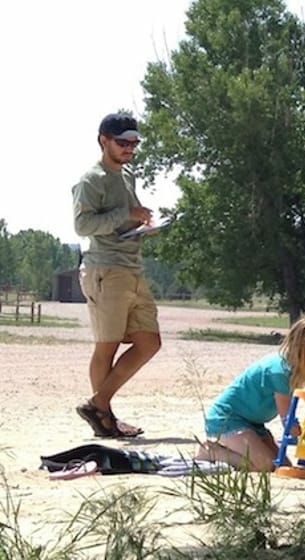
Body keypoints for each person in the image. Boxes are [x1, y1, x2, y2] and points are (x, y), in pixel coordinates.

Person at [72, 112, 162, 438]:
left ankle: (98, 405)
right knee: (106, 347)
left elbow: (124, 221)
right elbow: (82, 226)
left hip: (132, 266)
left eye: (134, 143)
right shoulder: (91, 180)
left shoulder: (127, 178)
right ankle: (105, 419)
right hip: (105, 269)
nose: (130, 149)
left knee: (150, 342)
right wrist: (127, 214)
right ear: (104, 141)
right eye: (123, 142)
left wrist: (142, 225)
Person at [195, 313, 305, 471]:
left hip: (253, 424)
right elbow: (288, 422)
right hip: (228, 420)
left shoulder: (291, 370)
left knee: (283, 466)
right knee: (265, 465)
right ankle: (212, 452)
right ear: (304, 350)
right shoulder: (279, 372)